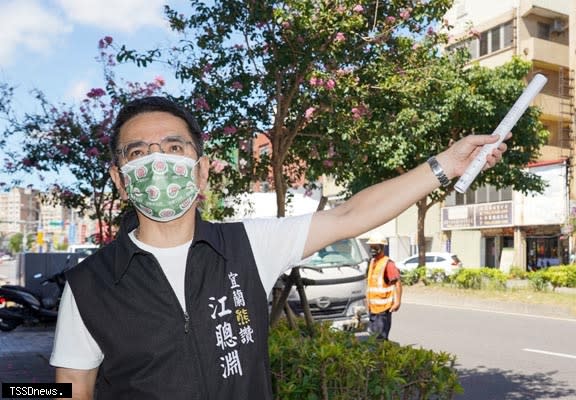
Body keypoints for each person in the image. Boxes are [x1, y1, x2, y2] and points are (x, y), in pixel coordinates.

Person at [50, 96, 508, 400]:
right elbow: (69, 388)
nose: (158, 162)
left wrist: (447, 163)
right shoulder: (90, 286)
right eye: (138, 153)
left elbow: (350, 215)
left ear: (202, 170)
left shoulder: (247, 245)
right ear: (119, 179)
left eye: (173, 146)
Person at [365, 233, 402, 340]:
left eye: (375, 247)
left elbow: (397, 283)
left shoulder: (388, 264)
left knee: (380, 339)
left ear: (382, 247)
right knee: (373, 338)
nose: (372, 250)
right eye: (371, 247)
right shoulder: (372, 262)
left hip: (382, 311)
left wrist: (397, 302)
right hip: (373, 309)